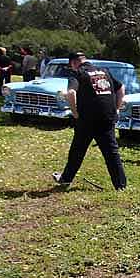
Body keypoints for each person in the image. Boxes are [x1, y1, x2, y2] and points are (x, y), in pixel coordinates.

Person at [53, 52, 127, 190]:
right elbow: (121, 88)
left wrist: (75, 113)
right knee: (111, 152)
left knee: (77, 150)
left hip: (87, 119)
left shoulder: (77, 73)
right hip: (107, 117)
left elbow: (71, 93)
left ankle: (66, 179)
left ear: (74, 63)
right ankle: (120, 185)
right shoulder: (104, 71)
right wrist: (116, 108)